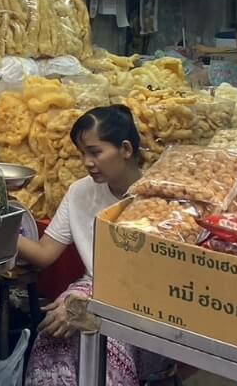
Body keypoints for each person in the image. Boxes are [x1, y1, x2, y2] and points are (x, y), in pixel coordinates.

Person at [18, 105, 159, 386]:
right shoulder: (81, 191)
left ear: (126, 149)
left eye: (95, 152)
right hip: (91, 288)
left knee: (106, 347)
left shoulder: (155, 198)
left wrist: (91, 306)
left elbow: (152, 281)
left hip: (143, 301)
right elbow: (44, 254)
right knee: (53, 338)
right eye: (82, 153)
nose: (87, 161)